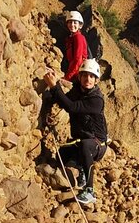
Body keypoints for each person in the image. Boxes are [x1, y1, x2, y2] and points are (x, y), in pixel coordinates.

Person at [43, 58, 108, 204]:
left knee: (86, 146)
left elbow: (72, 107)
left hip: (97, 144)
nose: (88, 79)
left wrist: (54, 87)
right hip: (79, 140)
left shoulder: (96, 100)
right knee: (62, 155)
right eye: (85, 75)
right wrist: (53, 91)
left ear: (96, 80)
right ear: (80, 76)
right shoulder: (78, 89)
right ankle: (82, 171)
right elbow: (65, 100)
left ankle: (90, 191)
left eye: (91, 76)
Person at [62, 11, 89, 82]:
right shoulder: (71, 38)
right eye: (70, 22)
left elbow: (77, 59)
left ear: (80, 25)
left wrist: (68, 77)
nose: (72, 25)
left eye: (75, 22)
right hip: (74, 73)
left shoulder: (78, 37)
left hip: (76, 75)